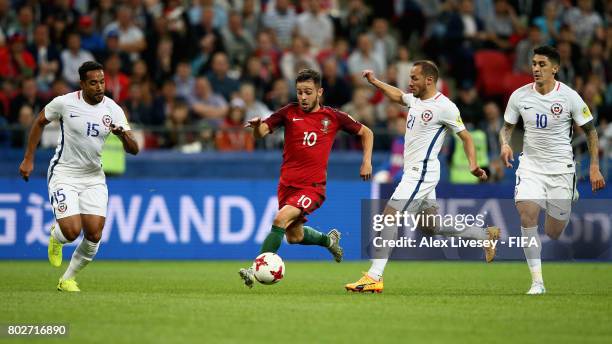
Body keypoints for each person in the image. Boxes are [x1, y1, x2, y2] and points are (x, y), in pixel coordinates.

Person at [345, 61, 500, 293]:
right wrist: (375, 82)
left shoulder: (445, 107)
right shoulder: (415, 100)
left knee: (389, 215)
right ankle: (483, 234)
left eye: (414, 78)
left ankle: (374, 276)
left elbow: (466, 137)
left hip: (422, 171)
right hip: (417, 172)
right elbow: (398, 96)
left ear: (429, 80)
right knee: (431, 226)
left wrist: (473, 165)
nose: (410, 82)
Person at [238, 68, 374, 288]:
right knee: (294, 236)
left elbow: (367, 133)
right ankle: (329, 241)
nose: (303, 97)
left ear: (319, 92)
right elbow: (262, 132)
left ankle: (254, 270)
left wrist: (366, 161)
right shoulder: (288, 112)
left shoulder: (333, 116)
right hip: (286, 186)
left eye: (308, 92)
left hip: (312, 187)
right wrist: (255, 128)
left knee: (280, 219)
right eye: (300, 92)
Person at [18, 61, 139, 292]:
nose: (99, 87)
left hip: (93, 176)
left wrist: (123, 135)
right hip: (64, 173)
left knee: (94, 234)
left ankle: (67, 279)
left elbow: (134, 149)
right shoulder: (64, 103)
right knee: (71, 232)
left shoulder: (113, 109)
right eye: (93, 83)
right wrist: (28, 158)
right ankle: (56, 237)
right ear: (82, 84)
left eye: (102, 81)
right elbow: (40, 121)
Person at [499, 46, 606, 295]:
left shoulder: (569, 97)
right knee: (527, 214)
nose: (536, 68)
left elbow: (590, 131)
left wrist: (594, 166)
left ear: (555, 69)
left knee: (553, 232)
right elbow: (506, 127)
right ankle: (537, 282)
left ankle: (570, 193)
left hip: (561, 169)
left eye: (542, 64)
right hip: (530, 166)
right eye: (534, 63)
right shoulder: (519, 96)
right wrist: (505, 144)